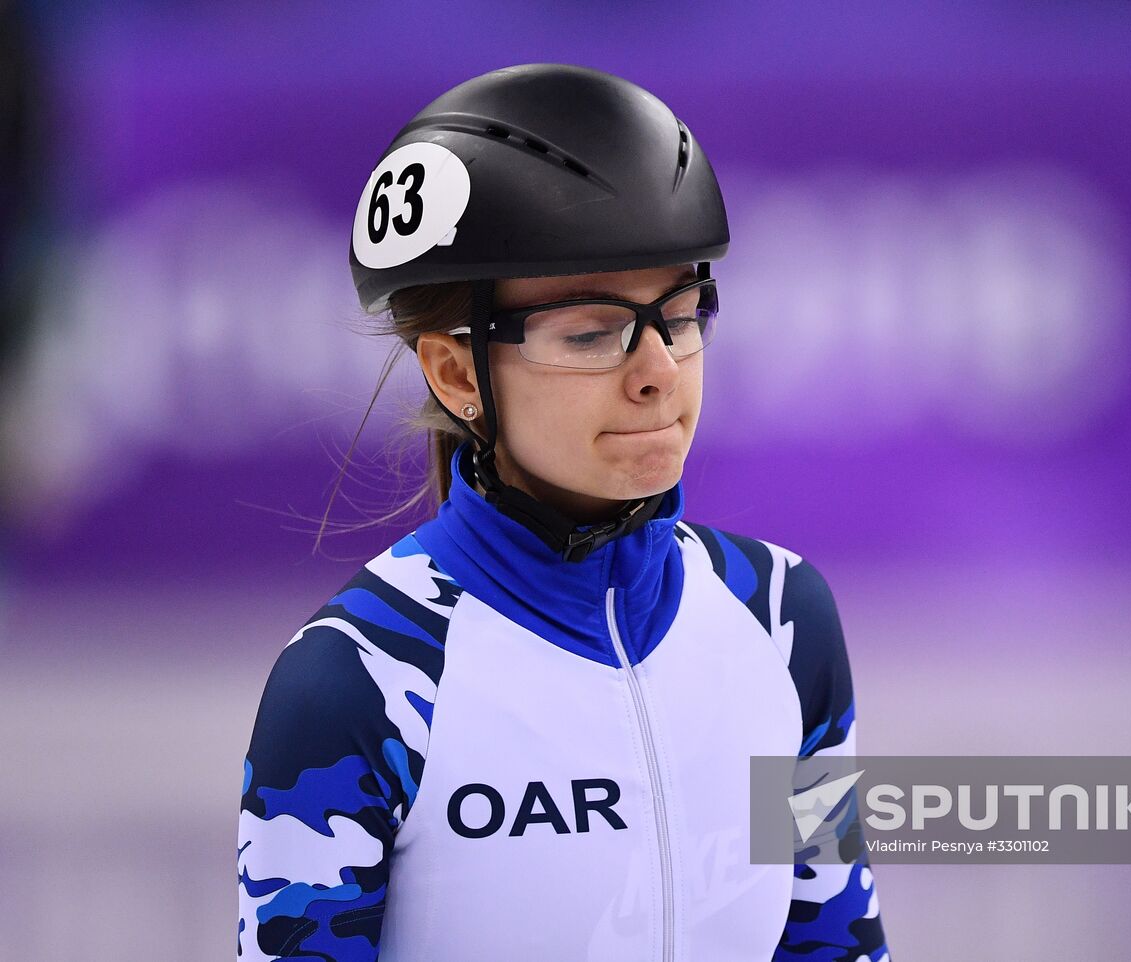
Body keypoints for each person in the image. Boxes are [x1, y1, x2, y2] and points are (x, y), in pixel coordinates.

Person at [236, 63, 890, 962]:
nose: (659, 367)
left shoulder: (780, 622)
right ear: (458, 373)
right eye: (591, 332)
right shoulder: (363, 681)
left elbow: (833, 948)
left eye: (682, 312)